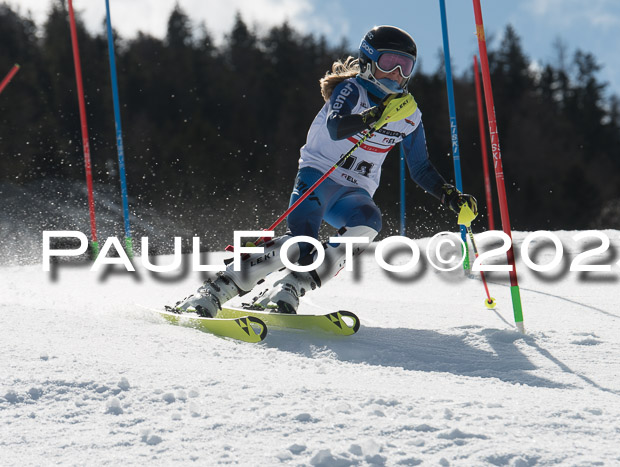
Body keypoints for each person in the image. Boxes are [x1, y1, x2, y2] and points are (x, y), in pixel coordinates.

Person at [172, 25, 478, 316]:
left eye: (405, 66)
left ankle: (291, 287)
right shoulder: (351, 90)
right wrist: (375, 116)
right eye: (389, 63)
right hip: (317, 177)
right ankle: (214, 291)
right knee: (302, 245)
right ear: (368, 61)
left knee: (369, 222)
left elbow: (421, 167)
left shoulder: (409, 115)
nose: (397, 74)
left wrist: (450, 197)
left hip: (353, 193)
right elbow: (335, 128)